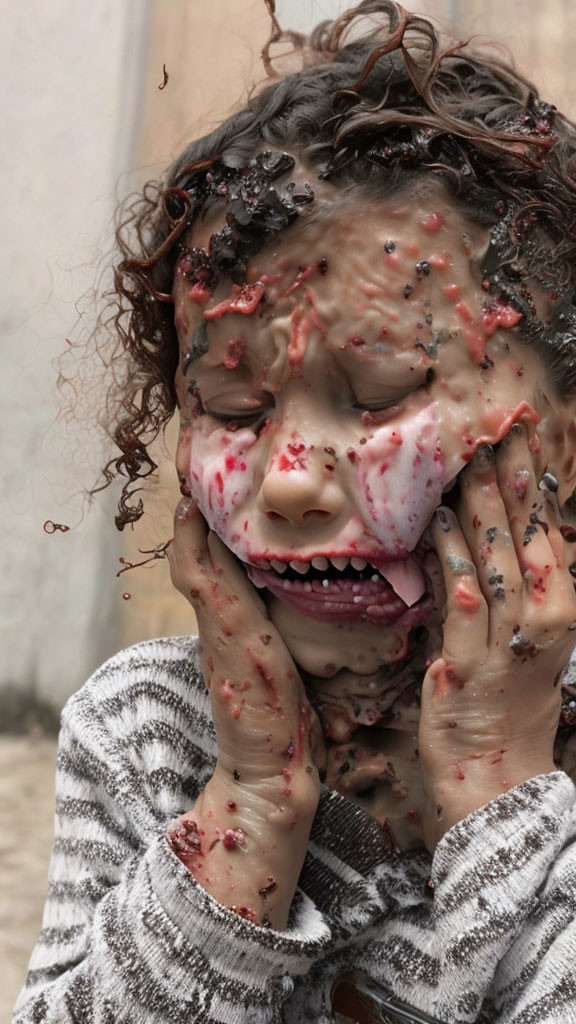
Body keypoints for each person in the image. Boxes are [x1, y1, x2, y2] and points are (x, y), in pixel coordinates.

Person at [13, 2, 576, 1021]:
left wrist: (507, 803)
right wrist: (254, 809)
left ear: (566, 440)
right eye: (232, 409)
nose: (289, 479)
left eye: (378, 395)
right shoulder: (149, 732)